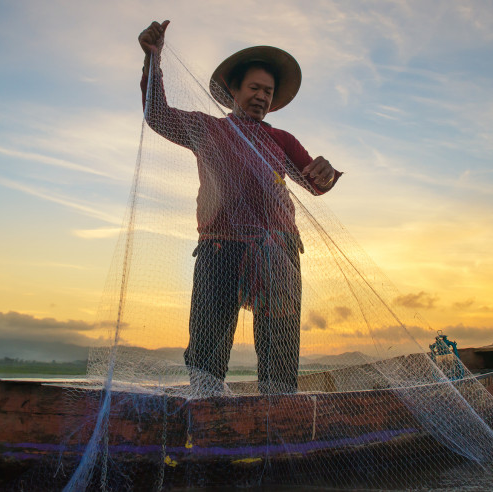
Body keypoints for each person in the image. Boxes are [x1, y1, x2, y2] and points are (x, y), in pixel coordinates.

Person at [138, 20, 341, 395]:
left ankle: (279, 420)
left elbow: (315, 182)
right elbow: (158, 115)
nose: (262, 96)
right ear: (234, 90)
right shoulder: (208, 129)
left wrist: (325, 173)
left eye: (269, 91)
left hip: (278, 252)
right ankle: (205, 412)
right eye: (254, 88)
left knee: (279, 350)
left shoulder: (282, 140)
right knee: (207, 347)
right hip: (220, 248)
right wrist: (153, 61)